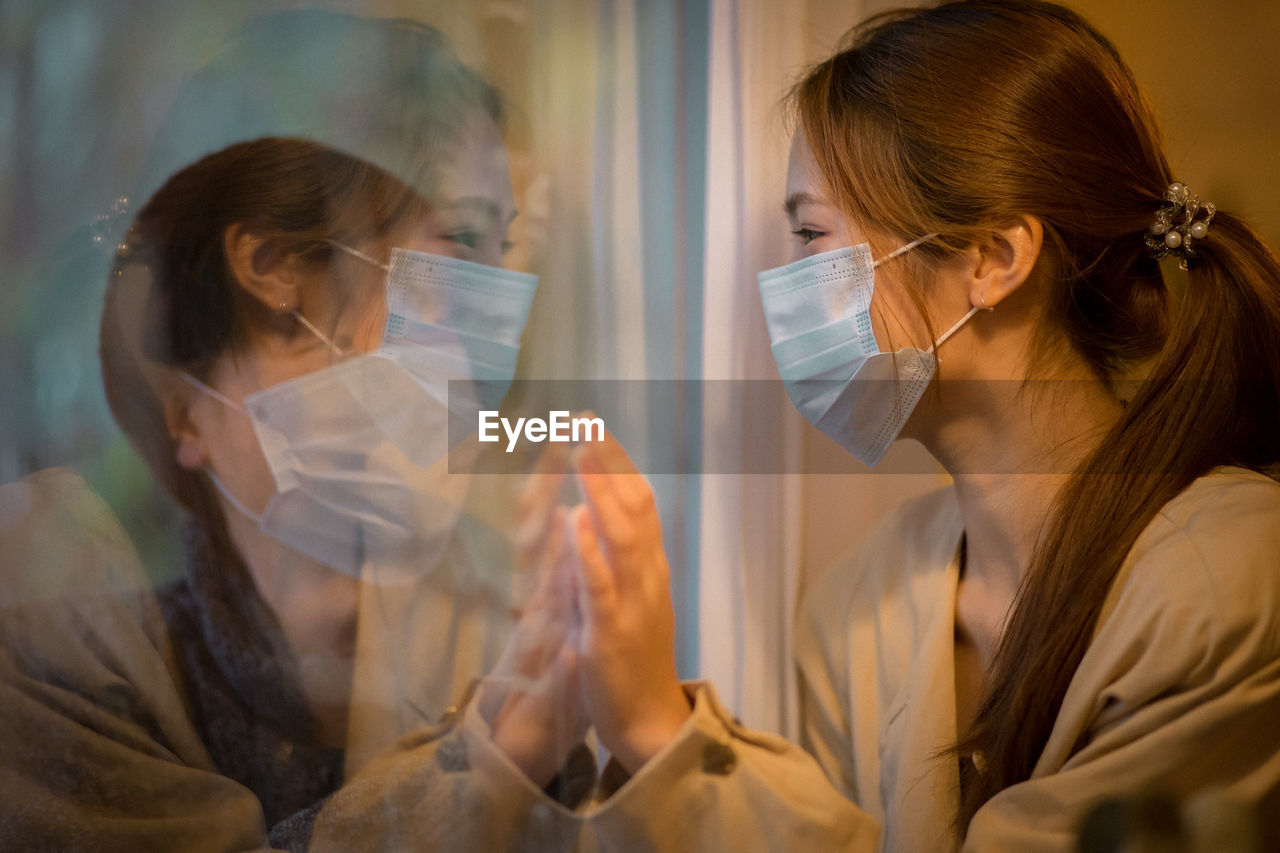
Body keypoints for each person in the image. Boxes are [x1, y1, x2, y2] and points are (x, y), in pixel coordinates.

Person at [555, 1, 1280, 850]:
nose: (779, 287)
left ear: (993, 259)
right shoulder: (856, 608)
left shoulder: (1232, 580)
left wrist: (659, 731)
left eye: (810, 233)